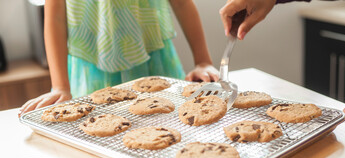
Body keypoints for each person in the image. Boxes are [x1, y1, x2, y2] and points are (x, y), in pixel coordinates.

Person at [19, 0, 218, 115]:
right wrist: (60, 86)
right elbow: (56, 17)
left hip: (154, 64)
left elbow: (181, 3)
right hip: (92, 70)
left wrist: (203, 61)